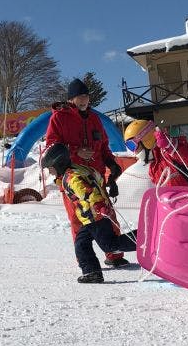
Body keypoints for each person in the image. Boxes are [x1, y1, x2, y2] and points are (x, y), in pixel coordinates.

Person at [45, 78, 129, 267]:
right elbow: (51, 147)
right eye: (79, 97)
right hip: (72, 180)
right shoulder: (58, 118)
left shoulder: (94, 119)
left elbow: (104, 146)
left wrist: (111, 165)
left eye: (86, 96)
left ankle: (114, 256)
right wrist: (76, 151)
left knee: (107, 216)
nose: (84, 100)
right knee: (79, 220)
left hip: (96, 178)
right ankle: (87, 263)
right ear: (71, 99)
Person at [40, 143, 137, 283]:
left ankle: (143, 240)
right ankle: (92, 272)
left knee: (109, 245)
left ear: (59, 164)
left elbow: (89, 192)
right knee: (81, 243)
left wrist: (98, 205)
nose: (50, 173)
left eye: (51, 169)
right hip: (91, 218)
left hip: (95, 216)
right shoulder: (79, 169)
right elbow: (98, 177)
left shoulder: (72, 178)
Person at [122, 119, 188, 188]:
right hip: (176, 208)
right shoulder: (153, 168)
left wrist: (172, 146)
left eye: (132, 145)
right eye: (129, 146)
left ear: (146, 140)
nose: (134, 151)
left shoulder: (169, 153)